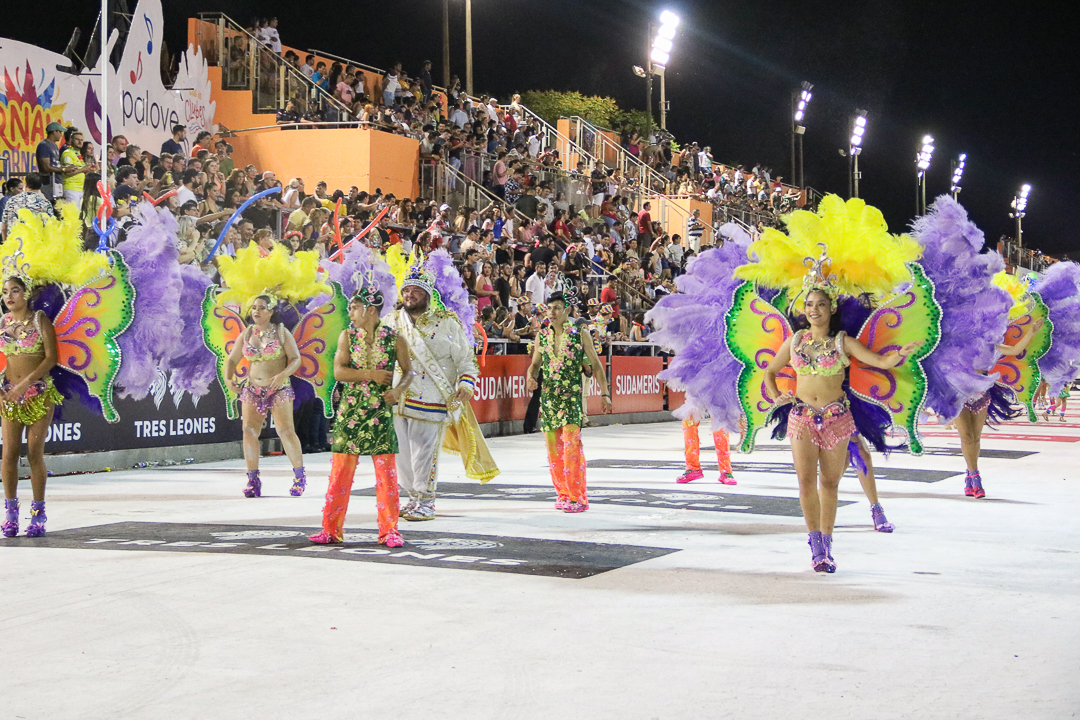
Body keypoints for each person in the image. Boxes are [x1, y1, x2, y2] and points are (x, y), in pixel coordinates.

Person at [765, 287, 920, 572]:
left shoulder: (842, 342)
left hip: (837, 418)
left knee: (830, 483)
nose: (814, 310)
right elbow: (769, 372)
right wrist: (777, 396)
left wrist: (900, 353)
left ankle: (827, 540)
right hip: (802, 417)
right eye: (809, 304)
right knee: (805, 483)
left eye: (821, 304)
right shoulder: (795, 340)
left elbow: (881, 362)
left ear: (832, 308)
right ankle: (816, 547)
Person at [309, 286, 414, 547]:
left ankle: (389, 530)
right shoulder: (347, 336)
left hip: (380, 412)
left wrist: (398, 390)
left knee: (386, 475)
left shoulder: (394, 338)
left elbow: (409, 371)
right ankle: (330, 528)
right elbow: (340, 372)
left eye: (354, 308)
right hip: (351, 412)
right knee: (340, 472)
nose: (350, 313)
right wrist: (371, 375)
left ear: (370, 309)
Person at [388, 262, 481, 520]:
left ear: (428, 295)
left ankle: (427, 499)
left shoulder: (447, 323)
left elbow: (466, 359)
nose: (409, 295)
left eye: (416, 291)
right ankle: (411, 497)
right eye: (406, 290)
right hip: (398, 397)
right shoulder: (391, 321)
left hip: (432, 397)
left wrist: (466, 383)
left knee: (425, 452)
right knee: (401, 453)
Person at [527, 284, 611, 512]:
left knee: (572, 447)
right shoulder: (542, 337)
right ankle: (563, 494)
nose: (552, 312)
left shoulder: (580, 334)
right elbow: (534, 366)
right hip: (549, 401)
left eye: (557, 308)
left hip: (571, 400)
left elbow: (596, 365)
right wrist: (530, 378)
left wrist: (605, 393)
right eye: (549, 308)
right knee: (553, 450)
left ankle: (578, 496)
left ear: (567, 311)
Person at [224, 294, 308, 498]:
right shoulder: (246, 334)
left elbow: (296, 358)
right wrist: (228, 379)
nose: (256, 311)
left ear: (271, 312)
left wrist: (283, 375)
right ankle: (253, 480)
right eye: (254, 308)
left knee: (286, 431)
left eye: (262, 308)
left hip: (278, 388)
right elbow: (232, 359)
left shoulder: (281, 332)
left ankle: (299, 477)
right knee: (248, 431)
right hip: (252, 389)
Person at [1, 274, 61, 538]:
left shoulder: (40, 321)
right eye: (5, 292)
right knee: (9, 454)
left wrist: (26, 383)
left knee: (34, 452)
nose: (9, 296)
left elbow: (51, 358)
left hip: (39, 393)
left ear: (26, 294)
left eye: (15, 290)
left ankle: (38, 514)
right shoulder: (2, 323)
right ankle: (11, 514)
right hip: (9, 395)